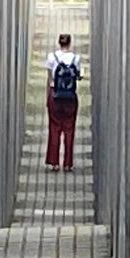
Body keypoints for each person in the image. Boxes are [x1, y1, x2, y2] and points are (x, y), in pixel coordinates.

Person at [45, 34, 82, 172]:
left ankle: (54, 162)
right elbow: (78, 76)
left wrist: (48, 97)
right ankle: (67, 163)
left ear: (59, 43)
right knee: (69, 129)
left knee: (54, 128)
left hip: (55, 95)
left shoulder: (51, 57)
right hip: (70, 98)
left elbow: (50, 78)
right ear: (70, 43)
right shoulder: (76, 58)